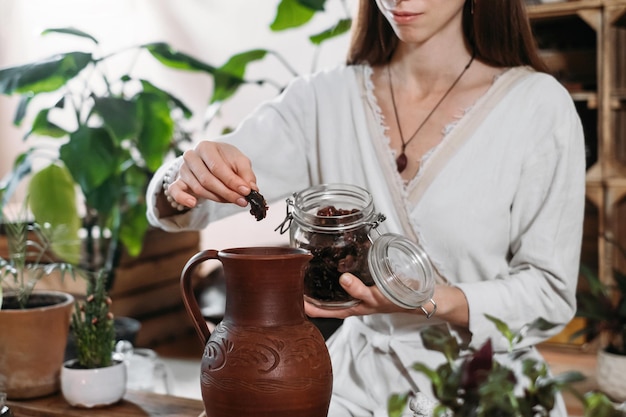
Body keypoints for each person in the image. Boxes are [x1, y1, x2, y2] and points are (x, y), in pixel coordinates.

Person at [146, 0, 586, 415]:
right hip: (350, 386)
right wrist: (187, 175)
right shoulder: (322, 100)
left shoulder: (538, 106)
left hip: (484, 383)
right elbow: (188, 202)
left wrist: (429, 301)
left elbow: (550, 291)